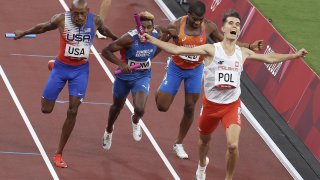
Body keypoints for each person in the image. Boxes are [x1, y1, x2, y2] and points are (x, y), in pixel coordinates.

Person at [142, 9, 307, 180]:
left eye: (237, 24)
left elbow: (271, 58)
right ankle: (201, 165)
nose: (234, 26)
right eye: (231, 23)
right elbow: (176, 50)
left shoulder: (242, 52)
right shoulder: (211, 50)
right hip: (211, 106)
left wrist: (293, 56)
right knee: (204, 142)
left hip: (231, 106)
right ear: (224, 28)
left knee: (233, 145)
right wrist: (152, 39)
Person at [13, 0, 117, 168]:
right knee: (46, 109)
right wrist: (23, 33)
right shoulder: (61, 19)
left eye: (83, 14)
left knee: (73, 109)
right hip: (61, 69)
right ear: (70, 11)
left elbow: (106, 31)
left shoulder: (95, 20)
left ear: (88, 11)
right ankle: (52, 65)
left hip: (80, 71)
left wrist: (120, 41)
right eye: (76, 13)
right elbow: (42, 27)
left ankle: (59, 152)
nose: (79, 17)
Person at [156, 1, 263, 159]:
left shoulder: (208, 26)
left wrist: (249, 45)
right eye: (194, 19)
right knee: (162, 106)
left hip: (195, 70)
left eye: (200, 19)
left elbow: (227, 40)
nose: (197, 22)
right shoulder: (176, 25)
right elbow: (162, 44)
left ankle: (178, 143)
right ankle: (162, 88)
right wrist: (146, 60)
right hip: (176, 68)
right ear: (188, 14)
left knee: (190, 107)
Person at [101, 11, 164, 150]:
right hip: (123, 78)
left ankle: (135, 120)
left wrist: (149, 59)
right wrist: (121, 64)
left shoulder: (157, 35)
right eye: (143, 27)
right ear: (138, 27)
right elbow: (106, 51)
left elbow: (165, 38)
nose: (146, 30)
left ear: (153, 27)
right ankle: (109, 130)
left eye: (149, 27)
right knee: (116, 107)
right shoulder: (128, 39)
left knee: (140, 109)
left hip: (142, 76)